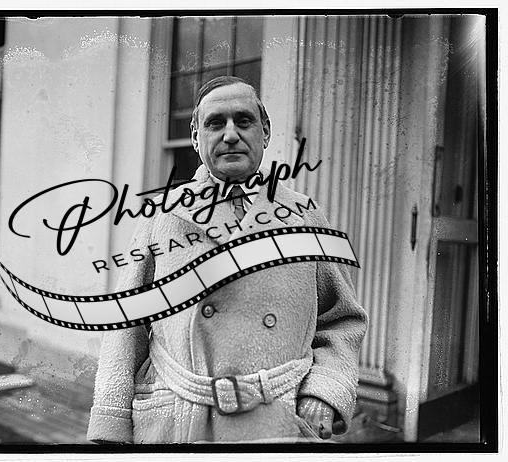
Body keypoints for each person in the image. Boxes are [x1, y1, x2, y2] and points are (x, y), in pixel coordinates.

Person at [86, 76, 368, 444]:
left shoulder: (304, 215)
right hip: (178, 419)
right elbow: (126, 326)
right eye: (216, 123)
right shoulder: (163, 214)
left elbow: (341, 318)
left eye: (244, 121)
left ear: (265, 132)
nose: (231, 134)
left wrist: (324, 391)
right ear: (195, 136)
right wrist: (110, 420)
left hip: (277, 419)